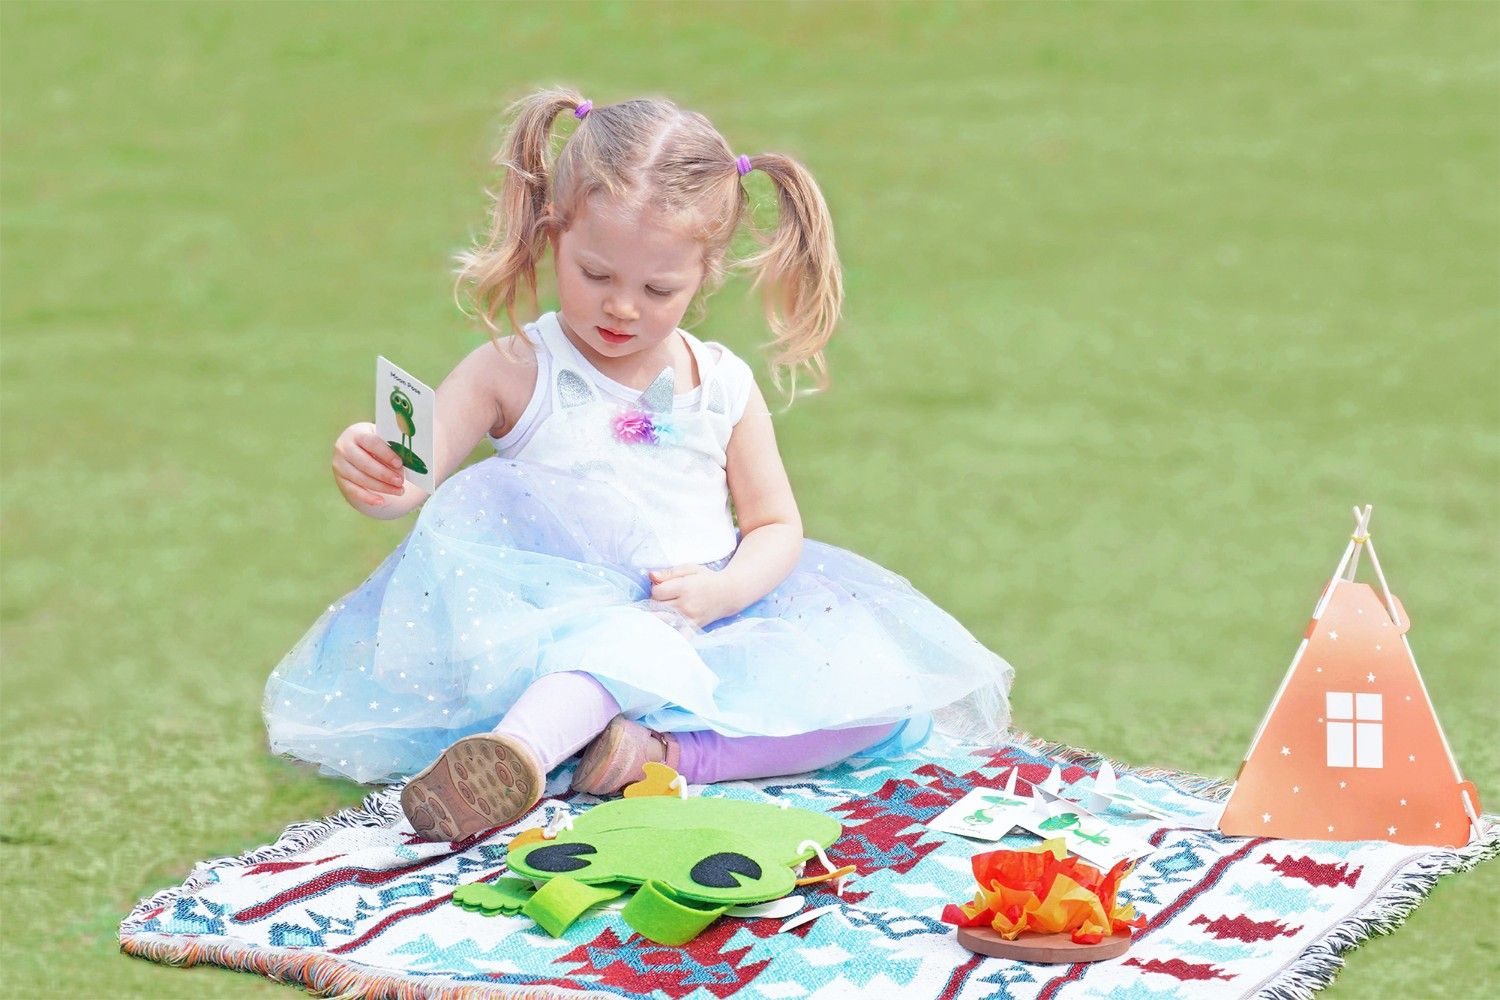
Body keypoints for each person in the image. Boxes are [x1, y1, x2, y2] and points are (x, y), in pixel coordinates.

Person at [263, 88, 1014, 842]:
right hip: (558, 634)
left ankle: (656, 756)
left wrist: (723, 592)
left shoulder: (721, 384)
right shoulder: (516, 368)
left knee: (876, 705)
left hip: (705, 619)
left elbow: (776, 524)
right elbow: (411, 478)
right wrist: (374, 468)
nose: (622, 308)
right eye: (596, 275)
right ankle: (512, 760)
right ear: (554, 235)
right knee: (624, 645)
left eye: (658, 289)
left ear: (706, 273)